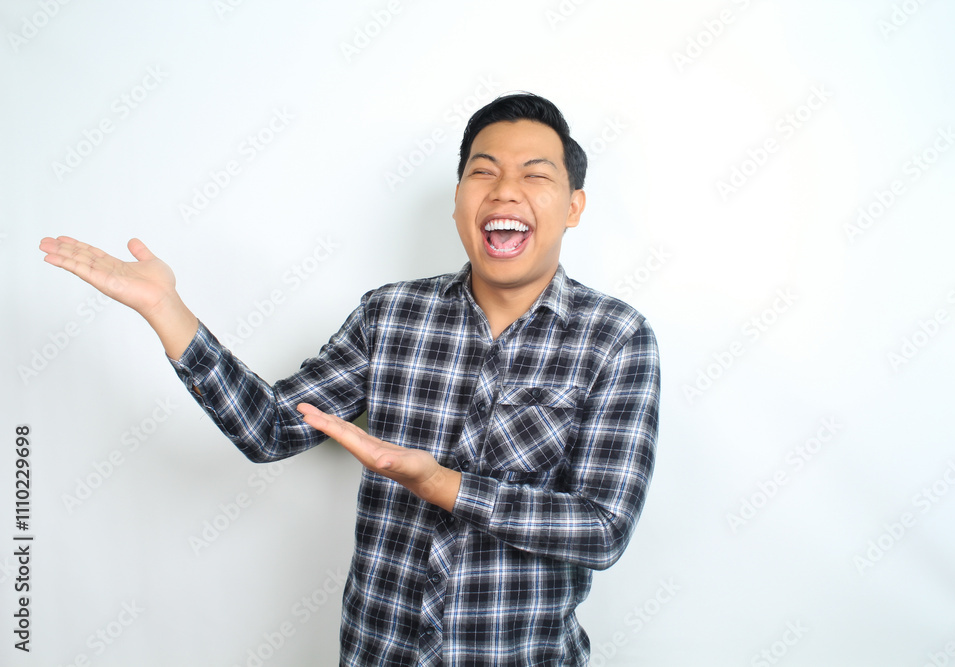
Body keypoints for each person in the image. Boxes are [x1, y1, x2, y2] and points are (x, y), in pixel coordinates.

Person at [40, 92, 660, 666]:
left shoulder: (617, 339)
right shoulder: (389, 314)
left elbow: (602, 529)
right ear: (457, 201)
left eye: (535, 174)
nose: (505, 190)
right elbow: (270, 430)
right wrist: (167, 312)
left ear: (574, 206)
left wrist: (441, 484)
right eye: (483, 170)